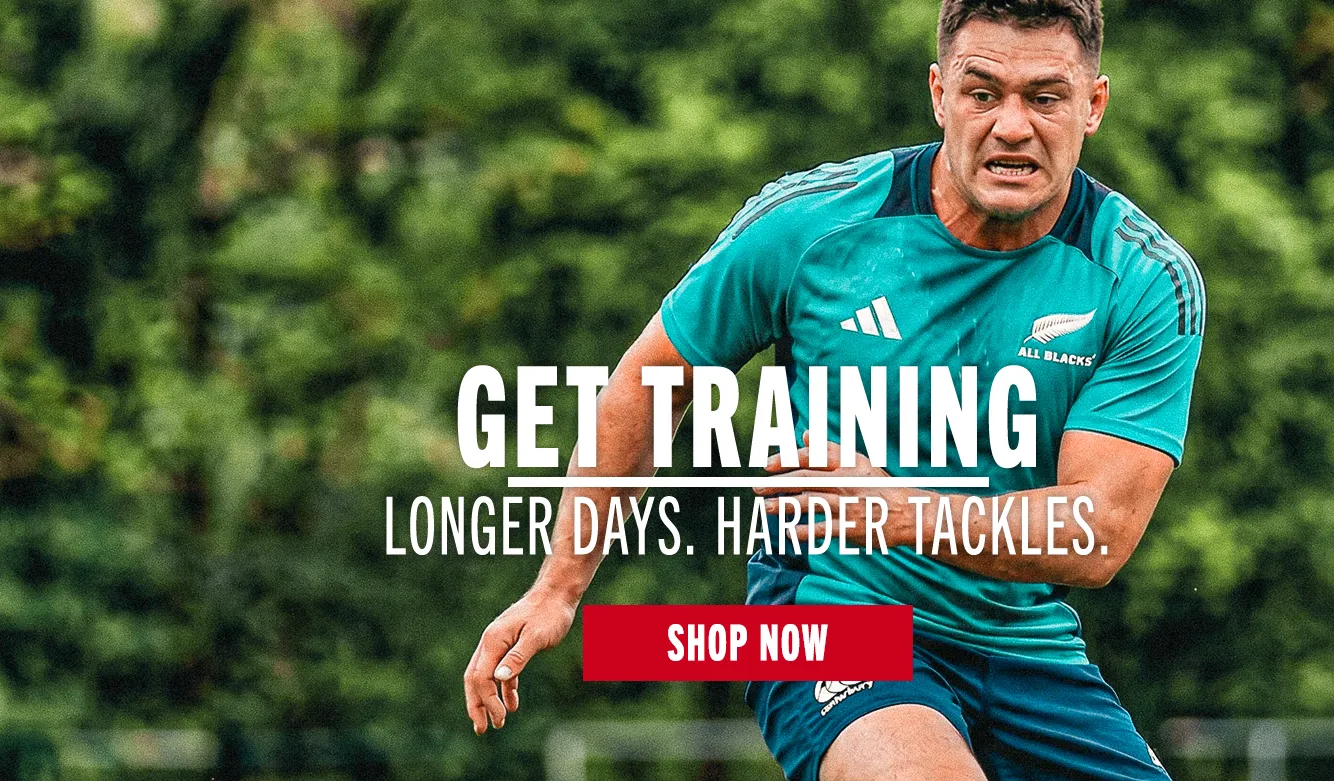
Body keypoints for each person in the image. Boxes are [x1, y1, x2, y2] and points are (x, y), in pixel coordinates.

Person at [463, 0, 1202, 778]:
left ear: (1093, 105)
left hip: (1024, 645)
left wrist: (899, 511)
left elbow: (1096, 533)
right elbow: (647, 386)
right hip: (830, 620)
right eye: (982, 93)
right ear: (939, 95)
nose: (1011, 127)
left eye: (1044, 98)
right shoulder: (811, 225)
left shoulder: (1144, 279)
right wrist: (555, 590)